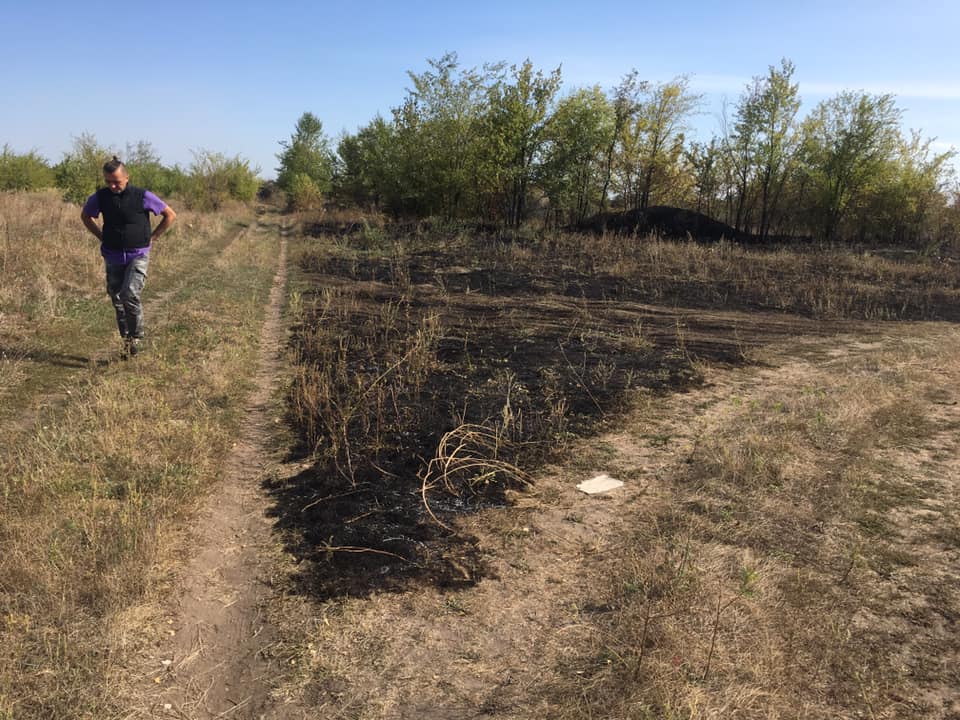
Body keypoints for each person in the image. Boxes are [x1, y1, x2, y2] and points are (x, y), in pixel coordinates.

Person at [80, 156, 176, 357]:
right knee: (117, 299)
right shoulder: (100, 197)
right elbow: (85, 216)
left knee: (129, 294)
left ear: (127, 177)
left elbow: (170, 215)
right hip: (113, 255)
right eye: (108, 181)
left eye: (116, 181)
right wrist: (101, 236)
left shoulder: (142, 196)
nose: (112, 186)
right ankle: (127, 342)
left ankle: (137, 337)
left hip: (138, 254)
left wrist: (153, 237)